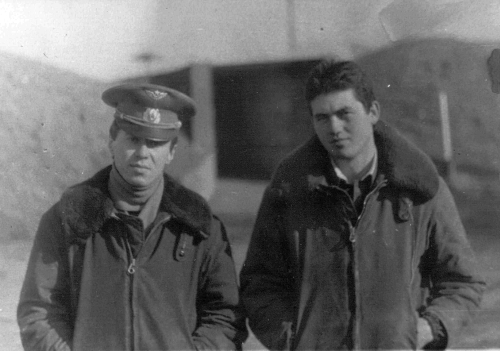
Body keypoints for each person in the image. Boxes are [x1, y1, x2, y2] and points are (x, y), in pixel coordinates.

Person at [239, 59, 485, 350]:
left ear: (373, 112)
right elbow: (259, 286)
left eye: (345, 113)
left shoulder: (420, 188)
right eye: (322, 117)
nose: (334, 128)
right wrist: (293, 340)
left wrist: (427, 328)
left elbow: (463, 282)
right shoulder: (288, 192)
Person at [17, 83, 247, 351]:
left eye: (155, 143)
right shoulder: (67, 218)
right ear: (112, 141)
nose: (142, 154)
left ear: (171, 151)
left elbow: (225, 316)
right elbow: (39, 312)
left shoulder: (200, 228)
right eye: (133, 139)